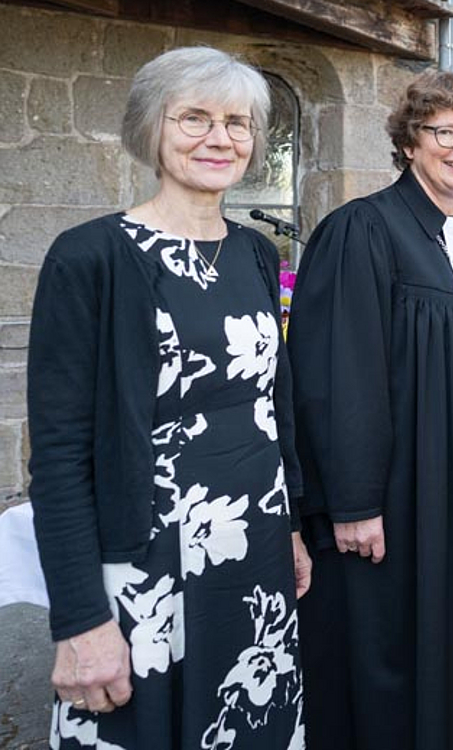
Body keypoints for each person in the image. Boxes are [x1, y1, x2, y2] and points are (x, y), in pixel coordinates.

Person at [27, 46, 308, 748]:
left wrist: (293, 524)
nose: (220, 137)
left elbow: (270, 403)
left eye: (238, 122)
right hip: (142, 563)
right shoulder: (89, 256)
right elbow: (58, 453)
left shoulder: (254, 253)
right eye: (195, 118)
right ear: (151, 127)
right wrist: (79, 618)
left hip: (253, 545)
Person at [287, 71, 453, 749]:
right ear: (408, 142)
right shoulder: (360, 230)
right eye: (445, 132)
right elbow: (338, 375)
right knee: (403, 642)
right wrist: (352, 500)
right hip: (406, 492)